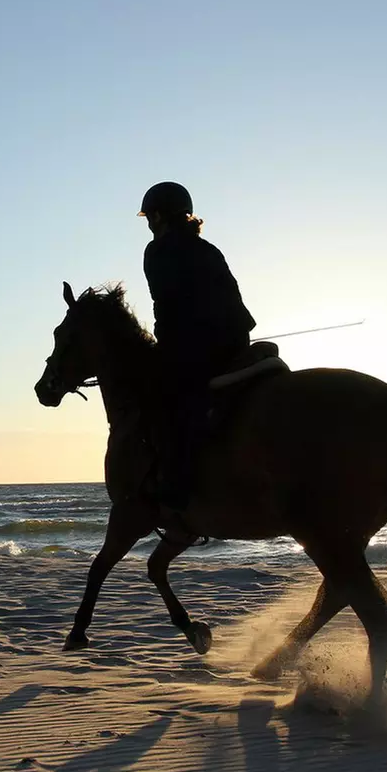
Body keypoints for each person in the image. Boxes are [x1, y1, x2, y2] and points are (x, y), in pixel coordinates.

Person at [138, 181, 256, 521]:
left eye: (149, 217)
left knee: (164, 399)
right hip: (236, 338)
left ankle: (178, 487)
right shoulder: (207, 248)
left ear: (158, 216)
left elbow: (165, 305)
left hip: (198, 342)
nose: (148, 224)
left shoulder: (158, 250)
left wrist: (163, 346)